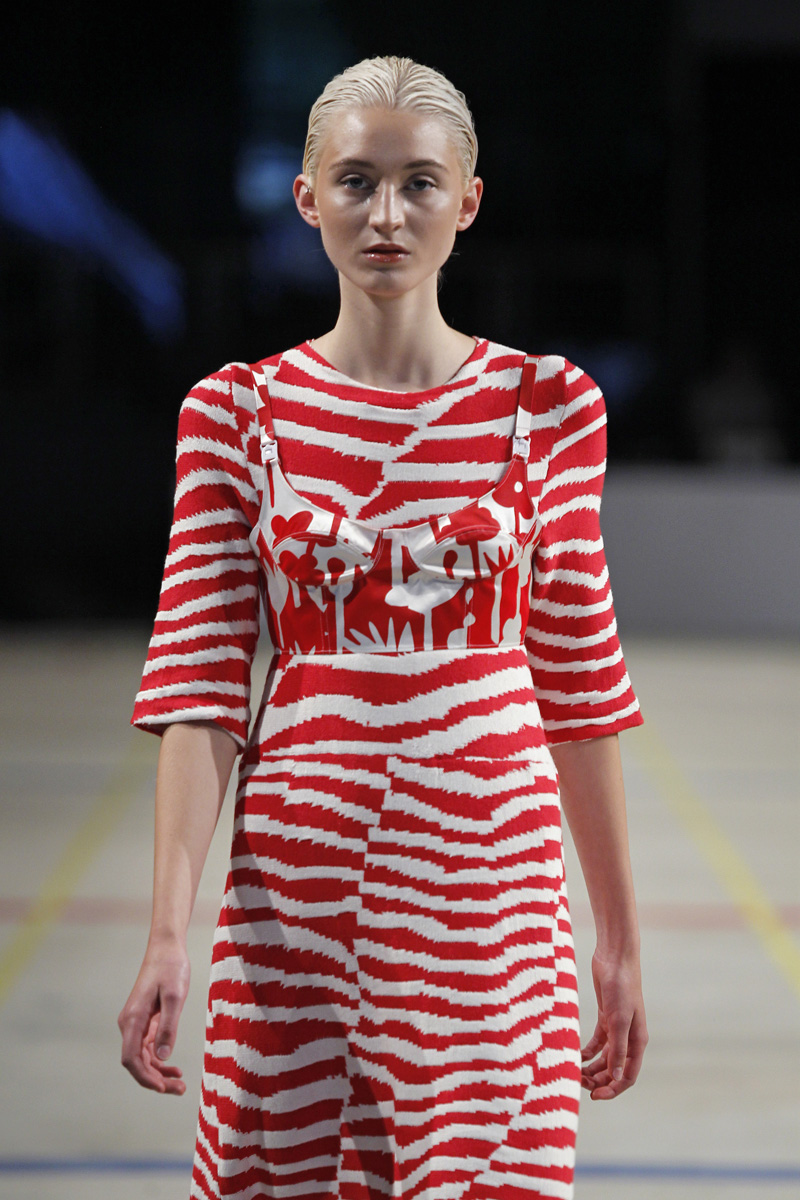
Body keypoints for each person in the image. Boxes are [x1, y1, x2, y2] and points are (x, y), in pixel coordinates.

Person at [118, 54, 648, 1200]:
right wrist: (167, 932)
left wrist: (615, 936)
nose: (387, 214)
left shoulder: (547, 407)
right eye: (356, 181)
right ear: (306, 198)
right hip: (292, 899)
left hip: (491, 897)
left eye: (419, 183)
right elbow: (199, 691)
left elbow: (577, 682)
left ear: (468, 201)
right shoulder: (235, 414)